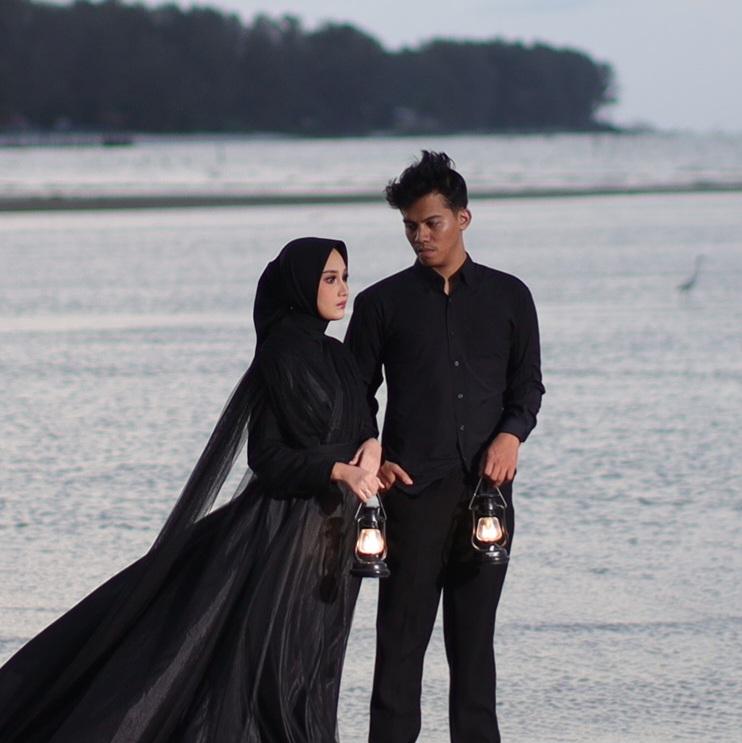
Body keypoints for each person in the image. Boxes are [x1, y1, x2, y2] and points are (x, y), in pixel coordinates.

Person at [0, 237, 381, 742]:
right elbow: (266, 458)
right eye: (329, 279)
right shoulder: (281, 353)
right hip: (280, 535)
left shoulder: (338, 355)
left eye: (345, 277)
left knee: (316, 661)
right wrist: (336, 470)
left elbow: (362, 417)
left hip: (332, 535)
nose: (343, 289)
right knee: (266, 666)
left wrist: (372, 446)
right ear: (299, 285)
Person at [345, 152, 545, 743]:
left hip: (489, 496)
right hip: (410, 496)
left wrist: (511, 434)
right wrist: (374, 453)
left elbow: (527, 386)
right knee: (400, 644)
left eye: (432, 223)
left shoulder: (511, 297)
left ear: (463, 218)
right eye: (410, 226)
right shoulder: (381, 304)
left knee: (474, 645)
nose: (420, 236)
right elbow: (353, 396)